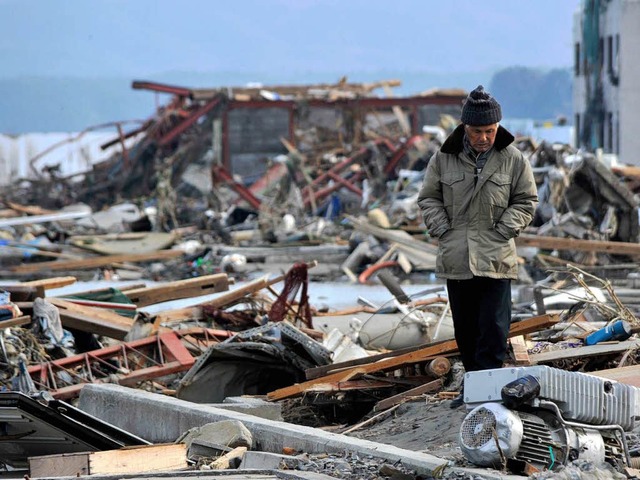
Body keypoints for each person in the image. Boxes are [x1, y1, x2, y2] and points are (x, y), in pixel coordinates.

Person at [417, 85, 538, 408]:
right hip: (457, 256)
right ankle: (472, 390)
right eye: (476, 131)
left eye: (489, 131)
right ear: (464, 128)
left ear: (497, 128)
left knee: (495, 329)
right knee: (466, 330)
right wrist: (442, 228)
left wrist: (504, 229)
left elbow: (526, 200)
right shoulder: (443, 158)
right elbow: (428, 198)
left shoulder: (513, 160)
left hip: (496, 255)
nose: (483, 137)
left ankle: (489, 390)